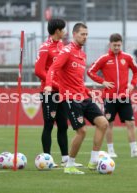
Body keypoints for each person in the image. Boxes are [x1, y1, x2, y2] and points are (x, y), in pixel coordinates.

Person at [44, 23, 108, 174]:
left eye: (86, 34)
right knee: (82, 131)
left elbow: (77, 79)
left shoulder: (82, 54)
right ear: (74, 34)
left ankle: (93, 161)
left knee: (103, 123)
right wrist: (48, 85)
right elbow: (53, 69)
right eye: (82, 34)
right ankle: (69, 165)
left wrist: (87, 90)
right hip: (70, 98)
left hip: (83, 96)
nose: (85, 37)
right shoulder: (66, 51)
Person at [87, 33, 137, 158]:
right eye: (114, 45)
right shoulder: (103, 58)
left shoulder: (128, 57)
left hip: (124, 97)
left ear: (121, 44)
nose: (116, 47)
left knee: (131, 123)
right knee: (109, 124)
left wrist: (133, 84)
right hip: (109, 98)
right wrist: (102, 81)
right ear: (110, 44)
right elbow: (90, 71)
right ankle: (110, 150)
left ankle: (134, 151)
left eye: (119, 45)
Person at [35, 18, 82, 167]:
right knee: (48, 124)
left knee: (63, 125)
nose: (66, 32)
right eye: (64, 29)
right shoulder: (45, 47)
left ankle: (65, 158)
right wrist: (55, 84)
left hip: (62, 93)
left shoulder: (62, 46)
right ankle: (47, 159)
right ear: (57, 31)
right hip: (49, 92)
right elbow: (39, 71)